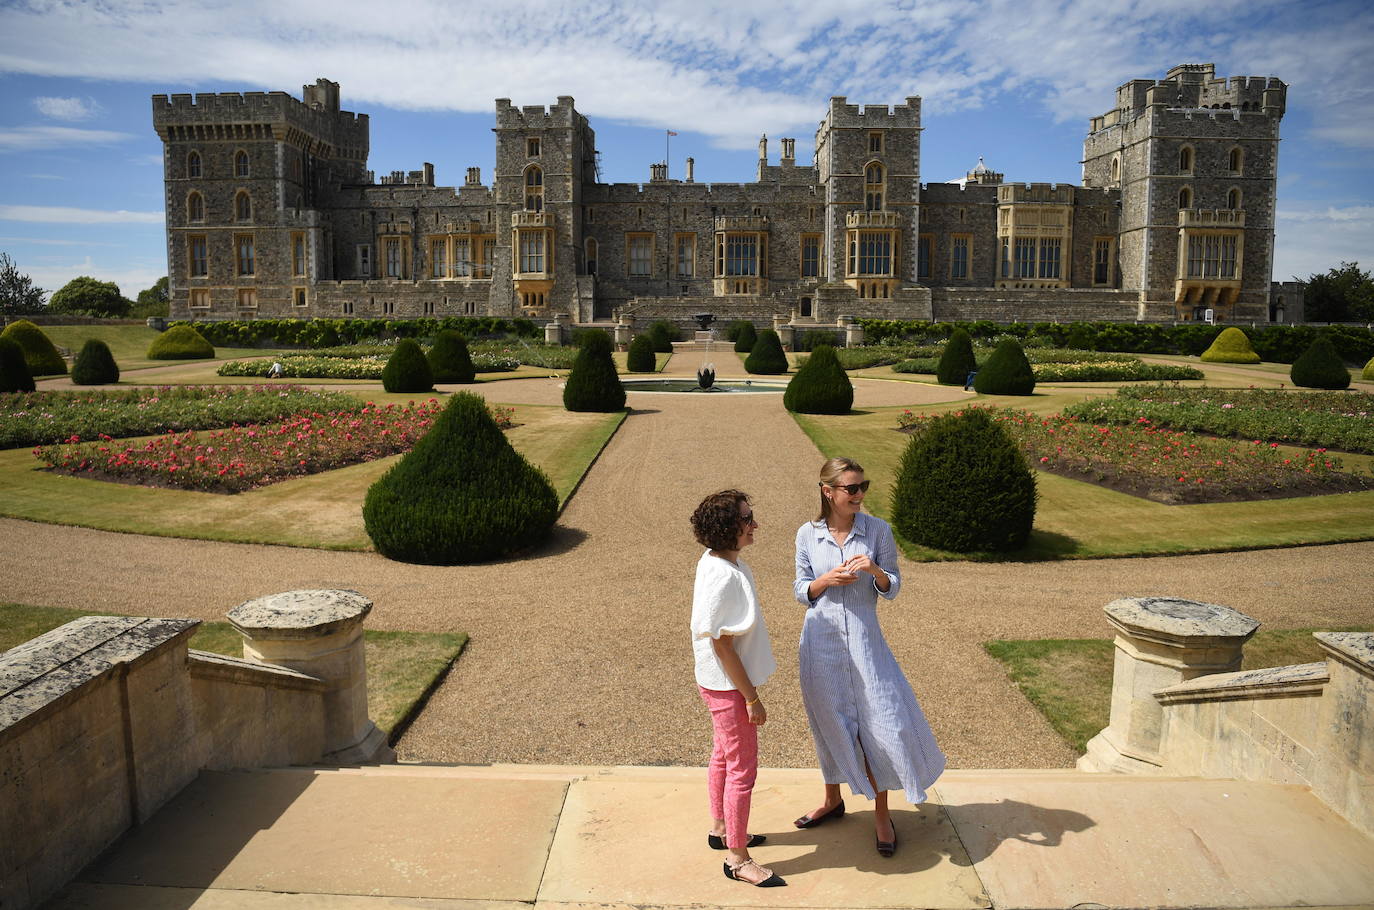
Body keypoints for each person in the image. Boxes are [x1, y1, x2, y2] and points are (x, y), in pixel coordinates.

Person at [792, 457, 945, 857]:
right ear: (828, 492)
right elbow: (800, 588)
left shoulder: (878, 530)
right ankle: (832, 800)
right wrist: (825, 580)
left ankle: (881, 813)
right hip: (820, 643)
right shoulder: (807, 534)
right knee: (828, 723)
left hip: (865, 641)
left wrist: (875, 570)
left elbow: (893, 586)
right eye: (851, 488)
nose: (860, 494)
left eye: (863, 486)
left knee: (881, 723)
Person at [690, 490, 785, 889]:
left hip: (716, 684)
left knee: (723, 756)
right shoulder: (726, 576)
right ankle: (737, 858)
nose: (755, 524)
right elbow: (722, 644)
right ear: (728, 528)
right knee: (743, 771)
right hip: (730, 689)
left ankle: (721, 828)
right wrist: (752, 698)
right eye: (747, 519)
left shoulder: (717, 561)